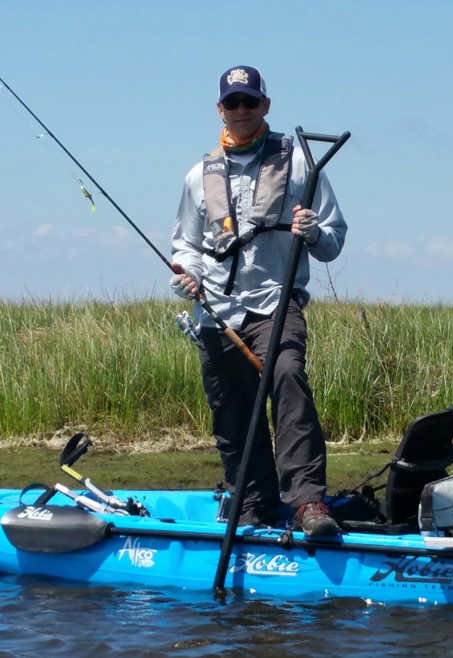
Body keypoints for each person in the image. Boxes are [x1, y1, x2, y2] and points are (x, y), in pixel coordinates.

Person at [170, 65, 347, 537]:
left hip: (276, 302)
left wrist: (314, 233)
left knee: (288, 376)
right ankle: (253, 503)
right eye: (233, 103)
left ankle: (308, 502)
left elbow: (333, 240)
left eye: (250, 102)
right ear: (220, 110)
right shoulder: (196, 175)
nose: (242, 110)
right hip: (216, 312)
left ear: (266, 105)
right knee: (231, 412)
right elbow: (184, 245)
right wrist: (184, 276)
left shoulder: (302, 164)